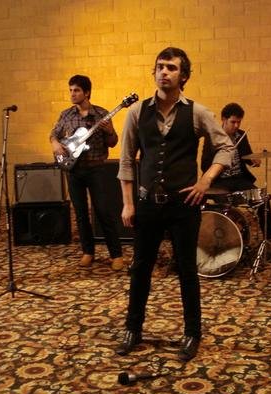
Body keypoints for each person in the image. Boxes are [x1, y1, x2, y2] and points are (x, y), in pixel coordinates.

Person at [117, 47, 234, 361]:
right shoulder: (136, 112)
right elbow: (126, 161)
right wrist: (128, 204)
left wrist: (205, 181)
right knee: (140, 268)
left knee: (186, 269)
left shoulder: (197, 112)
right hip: (147, 204)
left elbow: (226, 148)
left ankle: (192, 332)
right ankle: (132, 328)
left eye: (171, 67)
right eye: (160, 67)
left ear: (184, 76)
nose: (164, 72)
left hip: (183, 205)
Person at [50, 75, 124, 271]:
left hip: (96, 169)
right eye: (71, 90)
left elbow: (113, 142)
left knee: (103, 212)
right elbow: (54, 134)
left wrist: (109, 131)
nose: (72, 94)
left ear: (87, 92)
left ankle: (116, 254)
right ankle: (88, 252)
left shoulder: (102, 114)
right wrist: (56, 144)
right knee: (81, 214)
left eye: (76, 90)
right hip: (73, 170)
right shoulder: (66, 115)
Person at [201, 102, 271, 239]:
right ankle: (223, 237)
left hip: (239, 179)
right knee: (223, 206)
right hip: (219, 181)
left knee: (263, 199)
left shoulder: (241, 135)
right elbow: (204, 165)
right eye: (233, 122)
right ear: (224, 119)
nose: (236, 126)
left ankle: (268, 238)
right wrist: (220, 161)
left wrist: (253, 161)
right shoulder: (213, 136)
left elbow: (247, 156)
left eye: (239, 122)